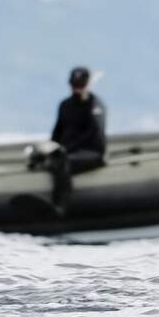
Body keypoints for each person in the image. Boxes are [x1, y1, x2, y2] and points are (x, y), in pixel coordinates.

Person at [32, 66, 107, 211]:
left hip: (92, 152)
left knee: (62, 161)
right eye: (74, 85)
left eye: (80, 85)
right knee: (44, 159)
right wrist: (50, 149)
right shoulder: (65, 105)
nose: (77, 89)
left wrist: (66, 149)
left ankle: (60, 205)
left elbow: (94, 135)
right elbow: (57, 132)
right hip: (68, 152)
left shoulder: (95, 106)